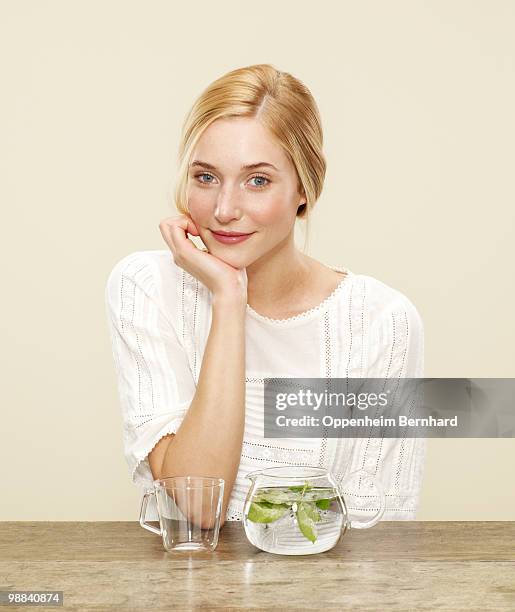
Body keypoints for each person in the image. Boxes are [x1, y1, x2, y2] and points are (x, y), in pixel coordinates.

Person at [105, 63, 426, 527]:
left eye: (257, 180)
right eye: (206, 177)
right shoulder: (147, 287)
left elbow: (381, 531)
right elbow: (198, 507)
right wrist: (229, 301)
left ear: (304, 190)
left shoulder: (382, 321)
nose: (224, 209)